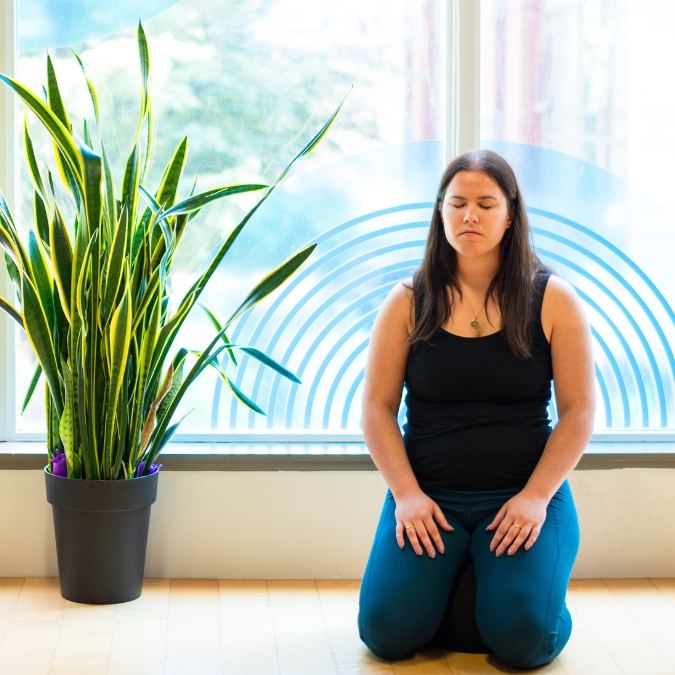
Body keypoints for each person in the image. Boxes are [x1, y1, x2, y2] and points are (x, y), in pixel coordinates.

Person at [357, 149, 596, 669]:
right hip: (428, 501)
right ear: (440, 212)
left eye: (486, 204)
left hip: (522, 501)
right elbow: (376, 409)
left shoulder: (553, 298)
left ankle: (520, 599)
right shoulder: (407, 300)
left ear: (511, 214)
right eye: (458, 203)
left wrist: (536, 497)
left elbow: (579, 413)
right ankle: (475, 590)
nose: (470, 215)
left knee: (525, 642)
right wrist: (407, 496)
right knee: (385, 634)